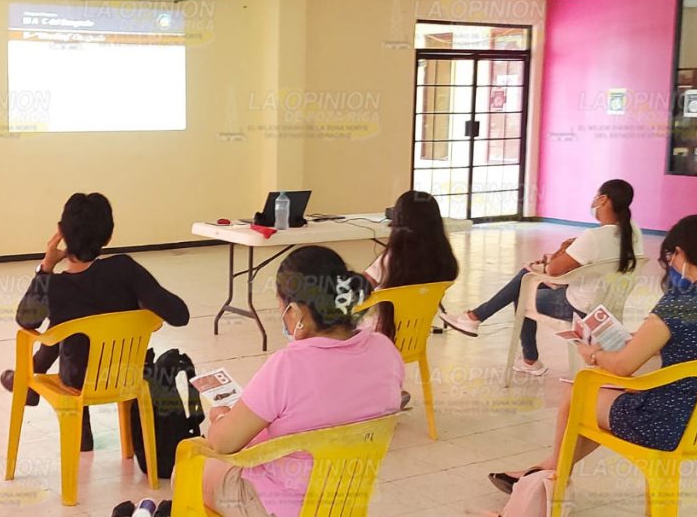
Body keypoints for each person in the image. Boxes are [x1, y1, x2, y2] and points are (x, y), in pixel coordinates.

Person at [488, 215, 697, 495]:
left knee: (579, 395)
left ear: (680, 252)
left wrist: (593, 353)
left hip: (669, 423)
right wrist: (637, 340)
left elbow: (623, 366)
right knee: (603, 397)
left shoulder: (681, 300)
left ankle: (551, 478)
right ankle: (548, 471)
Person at [196, 246, 404, 517]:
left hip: (281, 506)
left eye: (282, 307)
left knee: (191, 466)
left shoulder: (288, 367)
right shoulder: (385, 349)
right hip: (348, 499)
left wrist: (220, 418)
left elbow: (223, 444)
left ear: (296, 312)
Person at [0, 193, 189, 451]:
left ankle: (36, 388)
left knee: (67, 328)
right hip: (126, 374)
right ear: (108, 236)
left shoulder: (55, 286)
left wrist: (46, 266)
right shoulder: (125, 268)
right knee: (77, 323)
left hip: (77, 382)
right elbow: (180, 315)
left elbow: (26, 319)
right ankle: (73, 423)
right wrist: (143, 301)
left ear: (62, 233)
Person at [442, 179, 643, 376]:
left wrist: (562, 251)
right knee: (527, 279)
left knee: (524, 287)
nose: (592, 202)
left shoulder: (594, 237)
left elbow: (555, 270)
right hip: (607, 303)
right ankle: (476, 318)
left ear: (604, 200)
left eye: (595, 197)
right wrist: (566, 253)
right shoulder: (633, 231)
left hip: (580, 309)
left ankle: (522, 353)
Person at [363, 190, 459, 335]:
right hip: (415, 334)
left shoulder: (392, 258)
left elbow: (360, 287)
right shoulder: (443, 258)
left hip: (382, 336)